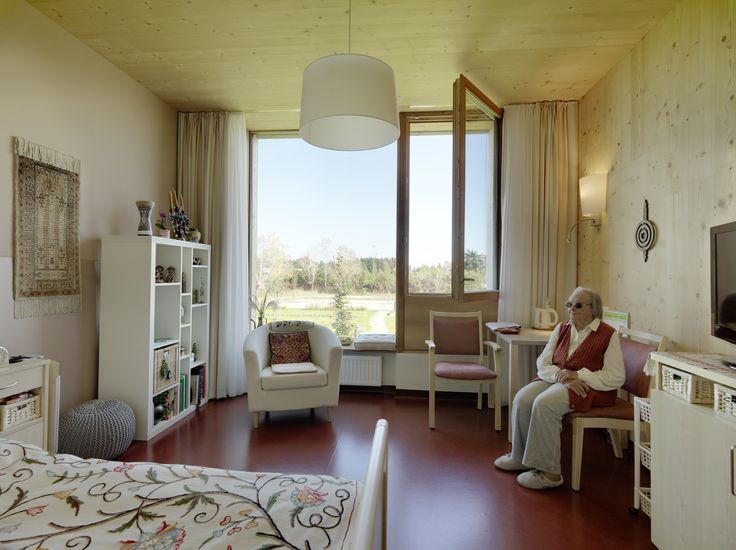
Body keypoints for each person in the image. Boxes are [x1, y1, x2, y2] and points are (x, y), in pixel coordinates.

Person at [494, 287, 624, 489]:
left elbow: (616, 377)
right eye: (569, 304)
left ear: (593, 309)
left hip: (590, 387)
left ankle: (550, 473)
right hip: (560, 380)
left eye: (578, 305)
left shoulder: (608, 334)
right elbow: (543, 362)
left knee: (545, 403)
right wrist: (561, 377)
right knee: (522, 398)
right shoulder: (562, 328)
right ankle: (520, 457)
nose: (572, 308)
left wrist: (578, 374)